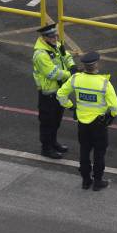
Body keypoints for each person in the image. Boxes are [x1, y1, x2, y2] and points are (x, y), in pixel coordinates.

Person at [57, 52, 117, 191]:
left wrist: (71, 107)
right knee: (99, 153)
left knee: (84, 151)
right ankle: (98, 181)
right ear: (96, 65)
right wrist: (112, 116)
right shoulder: (104, 83)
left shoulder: (76, 79)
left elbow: (60, 94)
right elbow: (115, 107)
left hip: (82, 123)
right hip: (99, 124)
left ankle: (86, 181)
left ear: (84, 66)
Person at [32, 23, 77, 159]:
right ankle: (46, 148)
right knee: (47, 122)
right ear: (44, 37)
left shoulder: (55, 46)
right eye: (51, 36)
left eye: (55, 35)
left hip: (58, 91)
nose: (55, 38)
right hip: (48, 94)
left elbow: (66, 56)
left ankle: (53, 142)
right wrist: (70, 74)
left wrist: (72, 66)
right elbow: (51, 73)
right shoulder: (41, 54)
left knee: (56, 120)